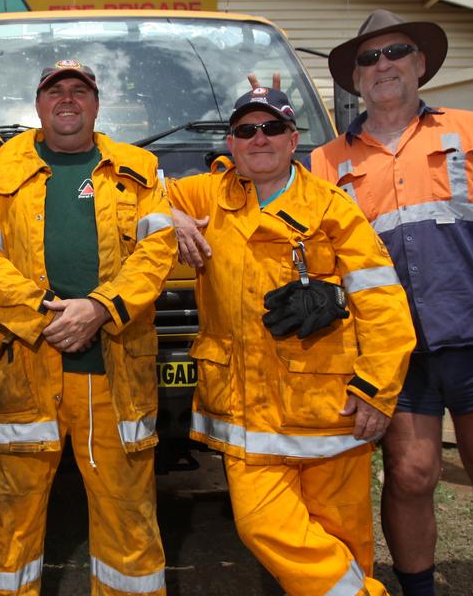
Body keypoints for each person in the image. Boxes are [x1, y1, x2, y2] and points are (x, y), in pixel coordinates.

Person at [310, 9, 473, 596]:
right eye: (368, 58)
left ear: (420, 63)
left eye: (395, 52)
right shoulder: (325, 163)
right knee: (410, 472)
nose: (383, 65)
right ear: (354, 79)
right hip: (391, 348)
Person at [170, 85, 415, 595]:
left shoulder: (332, 209)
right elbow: (135, 188)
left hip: (331, 412)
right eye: (245, 131)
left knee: (343, 541)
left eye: (272, 128)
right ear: (231, 145)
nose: (259, 139)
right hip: (247, 416)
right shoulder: (203, 196)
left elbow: (383, 303)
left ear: (292, 139)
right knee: (263, 525)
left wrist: (376, 388)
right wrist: (168, 215)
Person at [0, 60, 176, 595]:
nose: (68, 100)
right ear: (38, 105)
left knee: (128, 517)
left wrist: (101, 308)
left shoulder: (139, 168)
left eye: (80, 91)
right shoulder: (0, 169)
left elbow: (158, 250)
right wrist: (46, 316)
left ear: (97, 105)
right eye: (55, 91)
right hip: (22, 370)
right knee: (7, 519)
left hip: (114, 369)